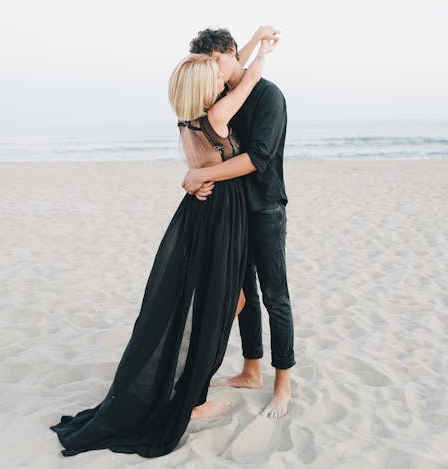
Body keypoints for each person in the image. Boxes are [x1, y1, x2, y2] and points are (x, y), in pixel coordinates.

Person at [49, 32, 278, 458]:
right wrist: (263, 50)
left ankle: (189, 383)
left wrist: (241, 47)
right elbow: (245, 80)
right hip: (221, 214)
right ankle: (193, 396)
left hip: (199, 213)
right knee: (221, 303)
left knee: (221, 300)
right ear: (204, 85)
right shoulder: (217, 118)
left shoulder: (188, 118)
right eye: (212, 76)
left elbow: (227, 68)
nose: (219, 79)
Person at [183, 26, 295, 420]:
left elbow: (259, 157)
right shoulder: (219, 95)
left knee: (274, 296)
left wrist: (204, 177)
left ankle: (282, 383)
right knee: (241, 291)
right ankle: (251, 370)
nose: (214, 70)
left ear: (232, 52)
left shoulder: (267, 95)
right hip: (229, 211)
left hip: (264, 206)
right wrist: (196, 176)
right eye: (208, 65)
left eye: (218, 61)